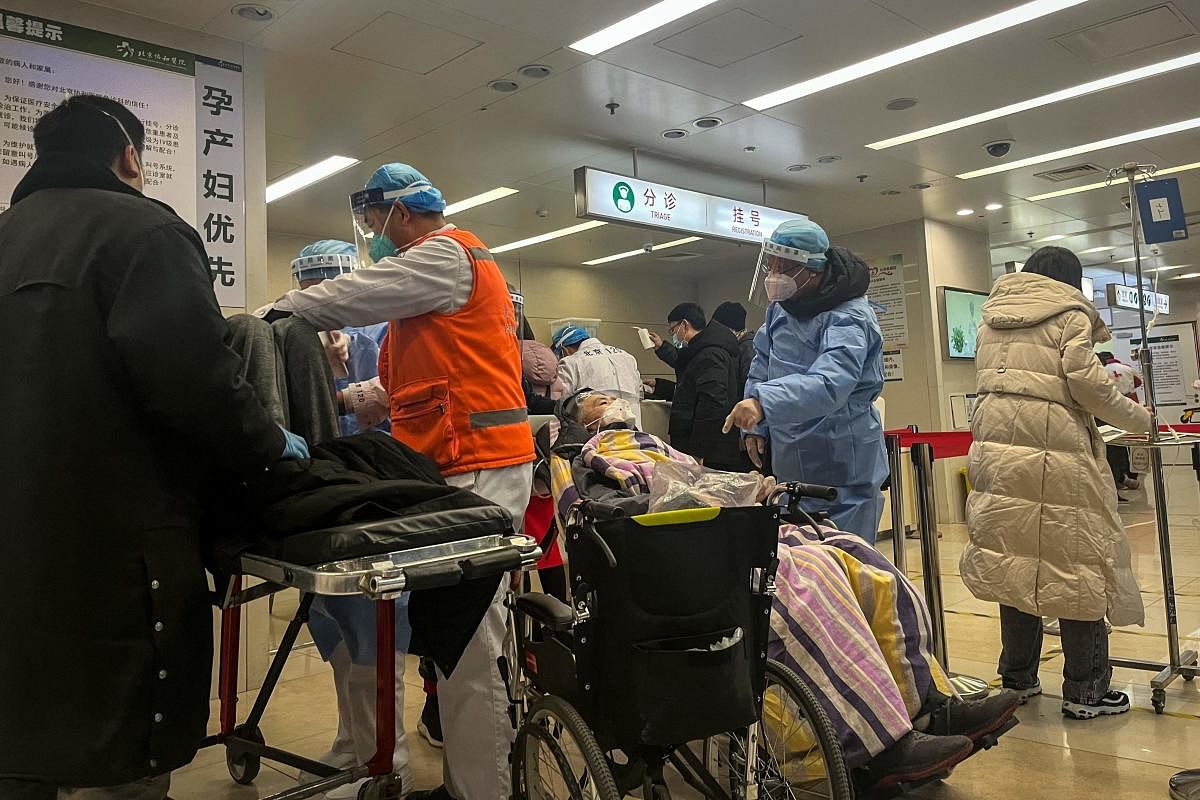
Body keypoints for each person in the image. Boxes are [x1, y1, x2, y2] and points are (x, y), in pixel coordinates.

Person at [0, 95, 306, 800]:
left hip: (16, 562)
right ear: (131, 156)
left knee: (21, 749)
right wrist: (276, 453)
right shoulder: (143, 232)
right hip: (118, 563)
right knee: (125, 765)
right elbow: (200, 385)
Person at [551, 392, 1021, 789]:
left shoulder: (660, 446)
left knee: (860, 559)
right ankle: (878, 745)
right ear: (581, 420)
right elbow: (606, 515)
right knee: (810, 583)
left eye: (613, 397)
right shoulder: (584, 458)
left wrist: (745, 489)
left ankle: (930, 706)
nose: (612, 402)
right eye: (598, 399)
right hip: (679, 552)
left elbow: (704, 477)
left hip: (728, 531)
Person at [268, 163, 534, 800]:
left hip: (482, 464)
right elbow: (413, 382)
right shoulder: (431, 290)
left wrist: (277, 311)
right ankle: (464, 782)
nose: (369, 234)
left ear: (400, 213)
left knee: (472, 641)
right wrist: (360, 393)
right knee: (453, 640)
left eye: (369, 221)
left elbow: (354, 293)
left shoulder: (445, 255)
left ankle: (485, 791)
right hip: (450, 466)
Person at [962, 246, 1152, 720]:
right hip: (1058, 457)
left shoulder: (990, 321)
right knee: (1077, 565)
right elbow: (1088, 384)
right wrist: (1138, 417)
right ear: (1073, 280)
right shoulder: (1069, 314)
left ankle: (1018, 679)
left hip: (998, 457)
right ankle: (1085, 689)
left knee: (1015, 564)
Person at [289, 240, 413, 797]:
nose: (320, 297)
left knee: (373, 626)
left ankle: (388, 756)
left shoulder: (384, 331)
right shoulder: (298, 337)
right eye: (308, 287)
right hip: (323, 493)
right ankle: (351, 739)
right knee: (328, 618)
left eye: (327, 284)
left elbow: (401, 395)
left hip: (377, 492)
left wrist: (343, 391)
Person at [723, 219, 887, 541]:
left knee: (845, 564)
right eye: (771, 263)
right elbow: (763, 363)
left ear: (812, 270)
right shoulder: (781, 310)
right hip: (791, 459)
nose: (774, 273)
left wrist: (763, 403)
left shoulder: (849, 316)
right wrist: (757, 426)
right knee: (802, 567)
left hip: (841, 458)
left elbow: (831, 382)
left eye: (784, 266)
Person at [648, 303, 741, 470]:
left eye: (673, 329)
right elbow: (689, 389)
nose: (674, 334)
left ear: (685, 324)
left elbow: (712, 403)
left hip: (708, 451)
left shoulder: (710, 354)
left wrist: (698, 450)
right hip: (698, 444)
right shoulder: (699, 350)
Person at [551, 324, 644, 427]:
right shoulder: (627, 356)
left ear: (565, 350)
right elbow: (640, 392)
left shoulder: (570, 362)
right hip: (634, 432)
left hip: (597, 435)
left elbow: (562, 405)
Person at [1098, 350, 1144, 492]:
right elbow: (1138, 382)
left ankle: (1120, 476)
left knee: (1115, 443)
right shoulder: (1127, 368)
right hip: (1130, 403)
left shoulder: (1102, 371)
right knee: (1131, 441)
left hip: (1110, 407)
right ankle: (1133, 473)